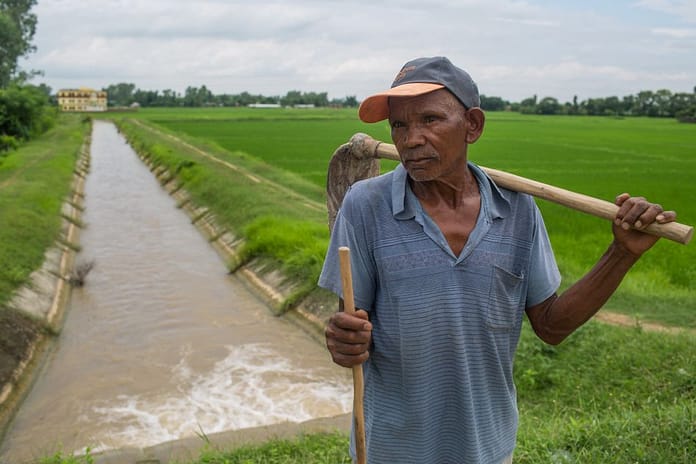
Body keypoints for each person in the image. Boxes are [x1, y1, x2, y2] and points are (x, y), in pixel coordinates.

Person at [318, 56, 677, 464]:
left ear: (472, 125)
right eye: (399, 125)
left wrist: (622, 253)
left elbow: (552, 325)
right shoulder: (366, 205)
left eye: (431, 120)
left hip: (487, 448)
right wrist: (344, 339)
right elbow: (350, 323)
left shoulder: (518, 210)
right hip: (391, 448)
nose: (411, 138)